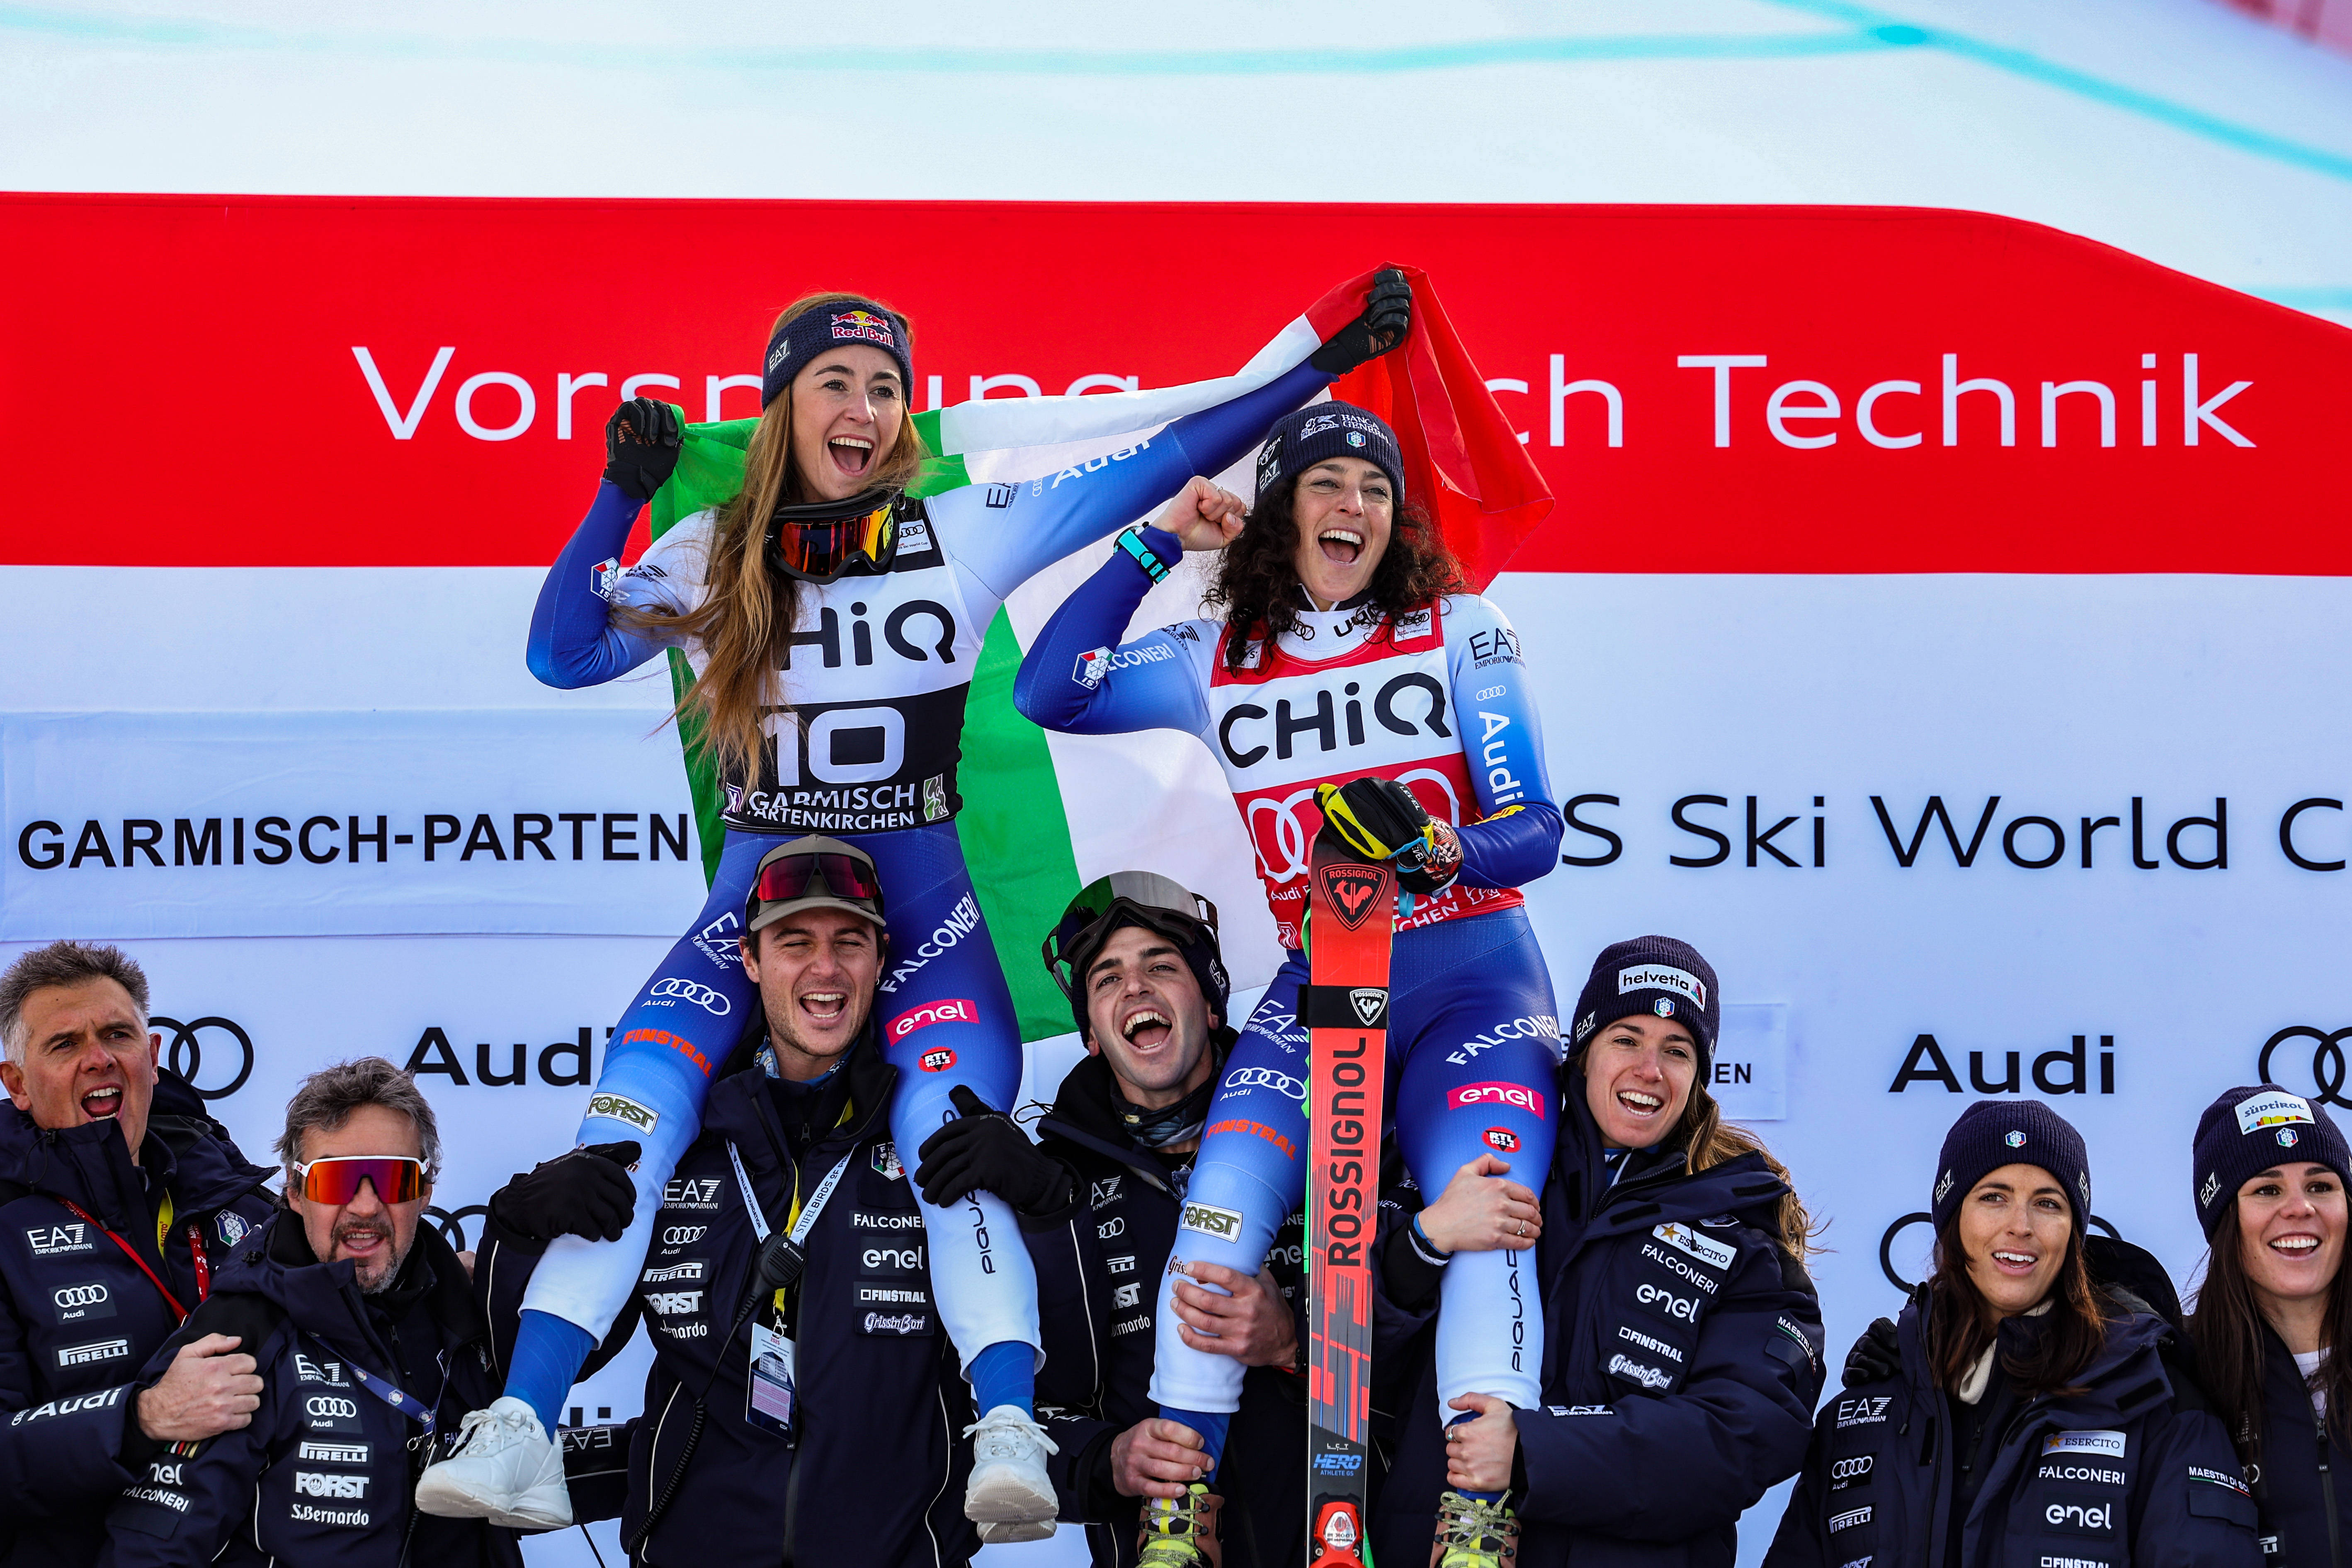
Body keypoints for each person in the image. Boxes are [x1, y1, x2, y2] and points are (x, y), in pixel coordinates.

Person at [427, 279, 1417, 1533]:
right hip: (756, 921)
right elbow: (561, 654)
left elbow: (1163, 455)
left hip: (923, 923)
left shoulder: (964, 527)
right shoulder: (714, 548)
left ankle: (1006, 1427)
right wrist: (619, 496)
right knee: (627, 1121)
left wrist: (1318, 363)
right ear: (781, 405)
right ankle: (521, 1421)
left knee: (952, 1140)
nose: (862, 408)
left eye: (886, 388)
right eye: (834, 383)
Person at [1011, 398, 1567, 1551]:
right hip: (1322, 978)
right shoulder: (1214, 654)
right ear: (1279, 513)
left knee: (1490, 1216)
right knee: (1217, 1213)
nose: (1353, 506)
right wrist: (1156, 543)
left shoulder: (1463, 626)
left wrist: (1436, 848)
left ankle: (1476, 1511)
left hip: (1472, 982)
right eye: (1325, 484)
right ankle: (1179, 1508)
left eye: (1375, 489)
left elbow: (1535, 831)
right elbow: (1049, 689)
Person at [464, 837, 999, 1565]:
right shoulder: (678, 1142)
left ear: (881, 961)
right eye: (794, 942)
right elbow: (552, 1355)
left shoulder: (940, 1136)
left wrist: (1046, 1205)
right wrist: (520, 1231)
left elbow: (1056, 1359)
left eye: (849, 942)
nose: (824, 967)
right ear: (750, 960)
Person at [1372, 937, 1823, 1568]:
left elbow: (1745, 1434)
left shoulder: (1743, 1235)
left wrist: (1531, 1452)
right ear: (1583, 1054)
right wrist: (1425, 1242)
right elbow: (1338, 1359)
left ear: (1698, 1077)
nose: (1649, 1069)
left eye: (1677, 1050)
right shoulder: (1468, 1166)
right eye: (1626, 1039)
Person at [917, 871, 1302, 1564]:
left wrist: (1294, 1339)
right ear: (1092, 1034)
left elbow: (1428, 1339)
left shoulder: (1328, 1130)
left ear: (1212, 1004)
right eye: (1107, 979)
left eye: (1161, 966)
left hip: (1343, 1536)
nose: (1135, 989)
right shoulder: (1051, 1180)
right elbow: (1010, 1413)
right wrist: (1108, 1460)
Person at [1765, 1098, 2262, 1568]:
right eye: (1994, 1197)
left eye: (2048, 1203)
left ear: (2073, 1234)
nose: (2020, 1225)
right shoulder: (1864, 1410)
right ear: (1953, 1219)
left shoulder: (2155, 1398)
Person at [99, 1058, 517, 1568]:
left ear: (426, 1189)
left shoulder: (468, 1312)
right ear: (295, 1193)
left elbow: (535, 1468)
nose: (365, 1206)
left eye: (393, 1178)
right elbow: (151, 1549)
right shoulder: (242, 1332)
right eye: (335, 1180)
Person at [0, 940, 276, 1568]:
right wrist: (143, 1415)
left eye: (117, 1034)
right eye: (64, 1043)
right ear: (17, 1083)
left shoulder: (241, 1200)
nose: (99, 1058)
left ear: (152, 1057)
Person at [2186, 1083, 2352, 1561]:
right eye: (2267, 1189)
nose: (2300, 1207)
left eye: (2321, 1186)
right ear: (2226, 1220)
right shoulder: (2179, 1375)